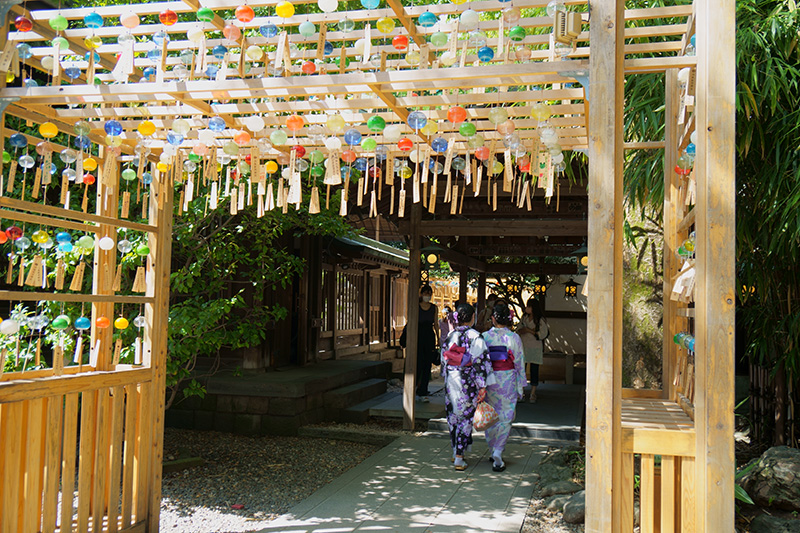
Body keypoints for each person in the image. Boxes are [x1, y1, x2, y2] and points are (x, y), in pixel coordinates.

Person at [441, 303, 494, 471]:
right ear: (473, 317)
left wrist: (448, 374)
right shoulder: (475, 336)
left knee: (453, 416)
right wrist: (482, 386)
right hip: (467, 380)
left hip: (452, 379)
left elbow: (444, 358)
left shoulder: (451, 335)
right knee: (465, 417)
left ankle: (456, 450)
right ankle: (459, 457)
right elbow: (480, 362)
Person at [481, 302, 526, 472]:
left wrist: (480, 384)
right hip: (507, 379)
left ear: (493, 318)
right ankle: (498, 450)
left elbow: (480, 362)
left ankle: (494, 448)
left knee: (491, 414)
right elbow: (519, 363)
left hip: (490, 380)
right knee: (506, 415)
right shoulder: (514, 338)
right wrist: (521, 385)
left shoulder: (485, 337)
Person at [517, 298, 549, 403]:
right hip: (524, 346)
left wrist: (529, 330)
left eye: (529, 306)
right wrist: (525, 330)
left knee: (534, 369)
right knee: (522, 369)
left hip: (535, 347)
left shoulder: (540, 320)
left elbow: (543, 333)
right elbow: (518, 329)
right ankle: (521, 391)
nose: (526, 308)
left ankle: (533, 392)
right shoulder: (524, 318)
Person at [416, 284, 439, 402]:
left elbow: (436, 323)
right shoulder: (416, 306)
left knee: (427, 365)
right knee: (418, 363)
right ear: (421, 294)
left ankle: (423, 390)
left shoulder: (434, 308)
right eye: (425, 294)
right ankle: (415, 387)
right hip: (418, 336)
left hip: (429, 336)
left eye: (429, 294)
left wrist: (438, 339)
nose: (427, 296)